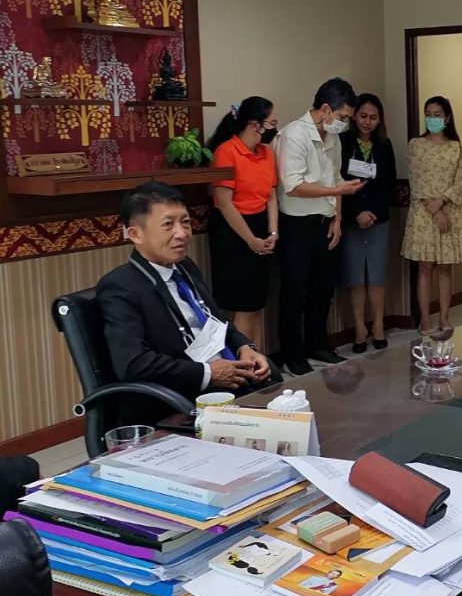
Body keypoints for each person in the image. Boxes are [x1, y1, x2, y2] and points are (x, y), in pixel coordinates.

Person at [97, 182, 272, 424]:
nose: (182, 233)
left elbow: (217, 321)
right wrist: (209, 373)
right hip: (180, 402)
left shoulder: (185, 267)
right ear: (135, 234)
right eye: (168, 224)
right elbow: (134, 363)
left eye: (186, 222)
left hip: (230, 384)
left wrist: (245, 347)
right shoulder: (121, 286)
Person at [275, 78, 364, 375]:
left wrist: (337, 218)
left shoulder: (332, 137)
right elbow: (293, 185)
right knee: (295, 292)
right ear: (325, 109)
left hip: (326, 222)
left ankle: (318, 344)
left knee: (323, 289)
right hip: (297, 225)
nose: (344, 123)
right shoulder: (294, 134)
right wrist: (336, 192)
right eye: (342, 116)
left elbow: (336, 177)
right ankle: (292, 354)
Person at [207, 96, 279, 348]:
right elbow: (225, 203)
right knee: (243, 306)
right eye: (271, 123)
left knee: (256, 305)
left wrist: (272, 232)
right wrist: (251, 240)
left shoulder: (266, 153)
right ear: (254, 124)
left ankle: (258, 360)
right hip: (234, 232)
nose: (274, 128)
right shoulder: (226, 152)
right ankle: (244, 363)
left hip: (260, 226)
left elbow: (271, 195)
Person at [401, 95, 462, 334]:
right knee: (425, 267)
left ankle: (444, 317)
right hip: (423, 212)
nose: (432, 118)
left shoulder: (456, 147)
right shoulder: (416, 145)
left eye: (437, 114)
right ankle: (425, 319)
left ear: (447, 118)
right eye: (428, 114)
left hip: (450, 212)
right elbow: (416, 179)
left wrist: (442, 203)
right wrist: (434, 207)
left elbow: (461, 181)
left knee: (445, 268)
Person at [339, 93, 396, 352]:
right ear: (354, 117)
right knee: (355, 276)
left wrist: (372, 211)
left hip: (378, 220)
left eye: (373, 117)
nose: (367, 122)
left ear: (379, 120)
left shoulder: (384, 145)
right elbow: (337, 181)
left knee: (376, 276)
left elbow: (388, 184)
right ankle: (360, 329)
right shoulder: (343, 143)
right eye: (363, 116)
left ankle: (378, 325)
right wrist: (356, 213)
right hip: (351, 220)